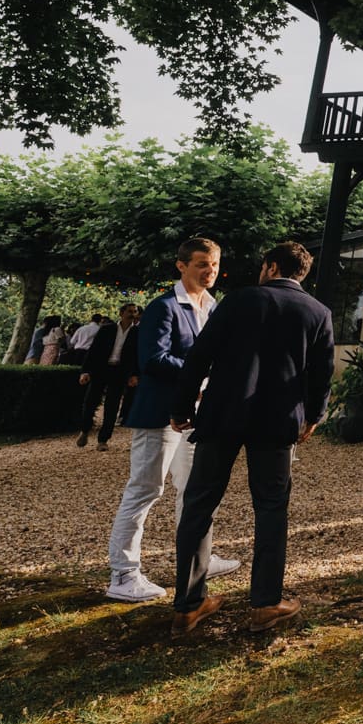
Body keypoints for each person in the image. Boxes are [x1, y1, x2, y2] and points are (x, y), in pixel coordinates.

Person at [167, 242, 334, 636]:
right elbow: (321, 374)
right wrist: (314, 415)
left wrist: (180, 408)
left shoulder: (238, 301)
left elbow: (199, 356)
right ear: (300, 274)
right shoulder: (318, 312)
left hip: (223, 413)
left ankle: (188, 605)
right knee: (272, 508)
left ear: (270, 266)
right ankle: (265, 602)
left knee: (199, 505)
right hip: (277, 422)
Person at [104, 237, 240, 602]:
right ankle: (123, 574)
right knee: (146, 489)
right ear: (180, 266)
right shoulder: (163, 307)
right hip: (159, 414)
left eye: (213, 265)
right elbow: (152, 359)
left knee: (194, 489)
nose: (209, 272)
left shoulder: (213, 307)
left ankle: (198, 559)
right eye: (201, 265)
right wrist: (198, 376)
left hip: (197, 414)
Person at [77, 303, 142, 449]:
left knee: (112, 406)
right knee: (90, 401)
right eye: (129, 311)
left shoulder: (138, 333)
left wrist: (135, 375)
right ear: (121, 313)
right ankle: (85, 430)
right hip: (101, 369)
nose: (132, 314)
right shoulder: (107, 329)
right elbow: (93, 351)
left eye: (135, 312)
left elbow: (138, 356)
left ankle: (103, 440)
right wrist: (85, 371)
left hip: (120, 372)